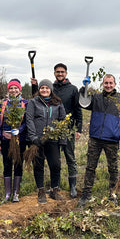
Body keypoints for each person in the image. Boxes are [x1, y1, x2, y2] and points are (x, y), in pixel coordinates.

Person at [77, 74, 120, 207]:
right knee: (90, 167)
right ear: (102, 84)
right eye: (106, 83)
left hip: (112, 140)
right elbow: (83, 102)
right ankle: (86, 194)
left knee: (113, 168)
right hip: (95, 138)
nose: (108, 85)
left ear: (115, 84)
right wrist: (84, 87)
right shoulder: (96, 98)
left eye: (111, 83)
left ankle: (113, 194)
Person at [26, 79, 67, 203]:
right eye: (42, 88)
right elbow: (29, 119)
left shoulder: (58, 103)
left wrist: (62, 139)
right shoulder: (33, 102)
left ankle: (54, 190)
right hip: (37, 139)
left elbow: (62, 121)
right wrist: (33, 137)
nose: (44, 90)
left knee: (55, 165)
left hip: (52, 139)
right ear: (39, 89)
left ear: (51, 90)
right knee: (38, 165)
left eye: (47, 88)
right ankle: (41, 191)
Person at [0, 78, 29, 202]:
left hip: (20, 140)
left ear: (20, 90)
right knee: (7, 164)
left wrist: (20, 129)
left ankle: (16, 193)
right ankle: (7, 193)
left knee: (18, 164)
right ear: (8, 90)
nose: (13, 90)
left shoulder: (25, 103)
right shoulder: (3, 104)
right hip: (6, 139)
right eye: (11, 88)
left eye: (16, 88)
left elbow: (27, 121)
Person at [52, 63, 83, 198]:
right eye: (58, 72)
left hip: (68, 129)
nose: (60, 74)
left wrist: (78, 129)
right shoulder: (50, 88)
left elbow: (78, 110)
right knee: (55, 158)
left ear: (66, 73)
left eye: (62, 72)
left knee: (70, 157)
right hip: (53, 130)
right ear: (54, 73)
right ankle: (55, 186)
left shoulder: (72, 89)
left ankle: (73, 187)